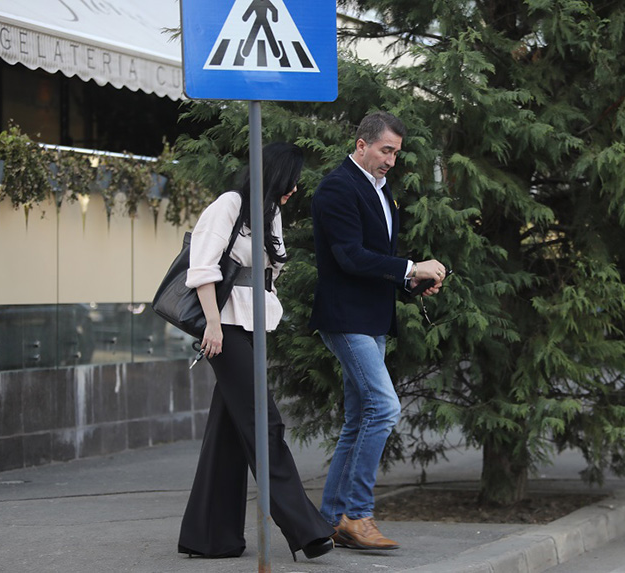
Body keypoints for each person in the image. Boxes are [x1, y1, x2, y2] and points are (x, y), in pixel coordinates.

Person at [178, 142, 335, 561]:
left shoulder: (269, 214)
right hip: (224, 331)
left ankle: (208, 537)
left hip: (253, 330)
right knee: (266, 424)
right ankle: (306, 529)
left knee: (229, 432)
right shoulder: (229, 204)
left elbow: (266, 276)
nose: (295, 189)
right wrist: (212, 324)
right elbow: (202, 268)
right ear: (274, 175)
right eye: (291, 181)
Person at [310, 112, 447, 550]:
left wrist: (411, 283)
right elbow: (349, 257)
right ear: (362, 144)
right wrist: (410, 266)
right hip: (345, 318)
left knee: (359, 419)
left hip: (372, 318)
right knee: (384, 407)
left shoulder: (382, 191)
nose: (391, 160)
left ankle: (330, 521)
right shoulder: (337, 187)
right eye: (386, 150)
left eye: (396, 153)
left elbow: (374, 260)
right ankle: (358, 514)